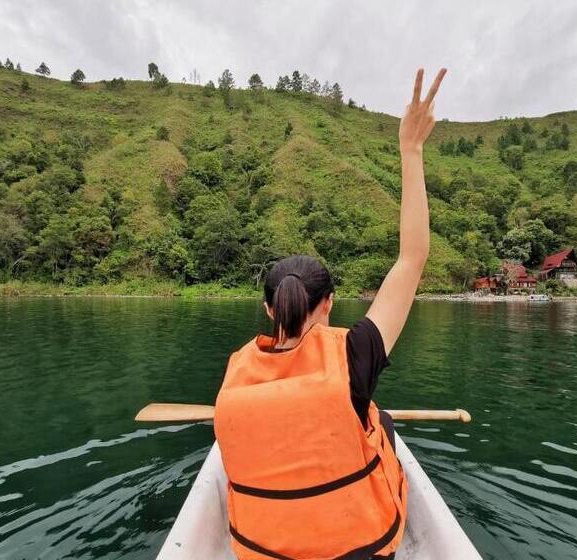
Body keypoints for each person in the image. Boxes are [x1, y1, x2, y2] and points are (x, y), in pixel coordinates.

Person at [214, 67, 447, 560]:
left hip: (260, 550)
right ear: (329, 304)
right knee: (377, 419)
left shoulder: (238, 373)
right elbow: (412, 258)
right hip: (359, 548)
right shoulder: (354, 353)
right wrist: (411, 149)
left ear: (267, 309)